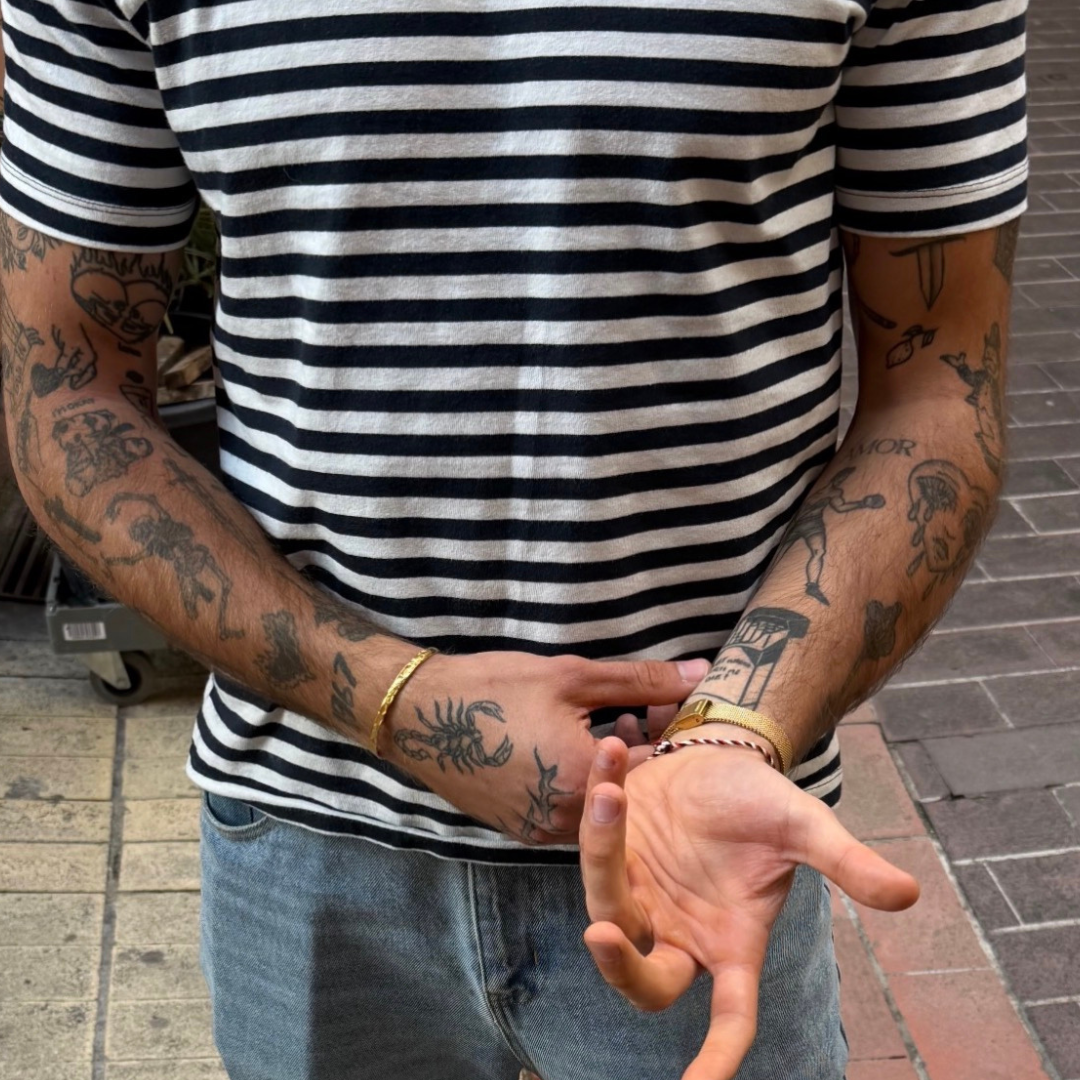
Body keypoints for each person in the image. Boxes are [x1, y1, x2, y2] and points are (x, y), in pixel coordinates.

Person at [0, 0, 1025, 1075]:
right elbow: (69, 399)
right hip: (310, 830)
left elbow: (940, 386)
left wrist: (738, 732)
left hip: (700, 840)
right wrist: (394, 702)